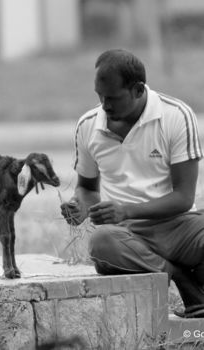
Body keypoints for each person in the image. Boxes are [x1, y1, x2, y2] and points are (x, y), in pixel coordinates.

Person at [61, 49, 204, 318]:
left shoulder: (176, 115)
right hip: (126, 237)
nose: (104, 104)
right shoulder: (88, 126)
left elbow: (184, 197)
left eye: (112, 97)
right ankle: (180, 278)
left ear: (138, 90)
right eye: (99, 95)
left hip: (177, 226)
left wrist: (126, 209)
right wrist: (79, 206)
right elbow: (88, 189)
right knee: (101, 243)